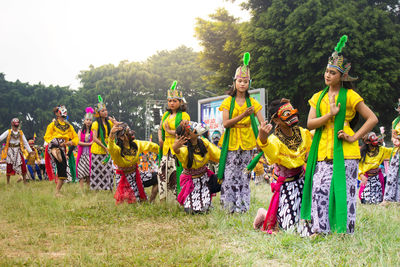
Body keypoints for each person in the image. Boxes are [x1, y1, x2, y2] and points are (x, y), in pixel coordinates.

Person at [300, 35, 378, 234]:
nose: (327, 75)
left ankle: (344, 232)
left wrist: (353, 137)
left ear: (342, 76)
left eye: (332, 73)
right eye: (326, 71)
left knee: (345, 194)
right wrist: (329, 115)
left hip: (345, 152)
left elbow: (372, 119)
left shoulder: (350, 96)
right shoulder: (318, 97)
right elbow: (309, 123)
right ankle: (320, 230)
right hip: (322, 152)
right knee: (319, 190)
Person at [253, 99, 313, 235]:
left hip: (302, 181)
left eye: (293, 111)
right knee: (290, 229)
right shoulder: (275, 140)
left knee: (310, 220)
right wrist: (263, 139)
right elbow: (272, 157)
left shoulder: (303, 133)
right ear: (277, 120)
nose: (293, 115)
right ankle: (264, 213)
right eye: (287, 113)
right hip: (286, 186)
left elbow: (309, 151)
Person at [218, 52, 264, 213]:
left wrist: (264, 131)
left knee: (244, 175)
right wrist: (243, 115)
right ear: (234, 82)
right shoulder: (228, 101)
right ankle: (228, 206)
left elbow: (262, 122)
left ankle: (242, 207)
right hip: (231, 141)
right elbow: (226, 123)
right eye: (240, 81)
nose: (242, 84)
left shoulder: (253, 102)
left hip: (247, 141)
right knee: (230, 174)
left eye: (245, 81)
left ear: (249, 83)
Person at [173, 121, 220, 213]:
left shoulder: (204, 142)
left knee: (205, 209)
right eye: (191, 128)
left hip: (205, 180)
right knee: (191, 210)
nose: (194, 127)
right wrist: (175, 148)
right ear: (189, 136)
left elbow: (218, 154)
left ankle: (212, 201)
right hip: (191, 183)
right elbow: (177, 151)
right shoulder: (184, 150)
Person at [109, 122, 159, 204]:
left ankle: (151, 201)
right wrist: (111, 135)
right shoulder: (117, 150)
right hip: (124, 179)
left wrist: (163, 150)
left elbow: (152, 146)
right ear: (122, 137)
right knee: (132, 203)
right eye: (128, 131)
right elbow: (111, 147)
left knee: (158, 177)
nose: (131, 133)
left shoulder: (136, 144)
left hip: (137, 175)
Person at [157, 81, 190, 202]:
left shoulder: (185, 115)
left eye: (174, 101)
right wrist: (160, 138)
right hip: (166, 148)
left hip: (177, 148)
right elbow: (160, 128)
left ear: (180, 102)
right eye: (170, 101)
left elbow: (184, 133)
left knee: (175, 174)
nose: (171, 103)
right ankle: (164, 199)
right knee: (162, 174)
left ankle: (177, 199)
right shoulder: (165, 114)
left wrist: (169, 131)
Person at [44, 106, 79, 196]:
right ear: (57, 114)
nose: (63, 115)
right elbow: (47, 137)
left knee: (63, 170)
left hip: (63, 147)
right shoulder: (52, 125)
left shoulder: (69, 126)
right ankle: (55, 152)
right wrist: (56, 141)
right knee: (55, 145)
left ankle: (57, 192)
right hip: (53, 144)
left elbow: (76, 138)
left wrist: (68, 143)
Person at [358, 132, 392, 204]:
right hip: (366, 178)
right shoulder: (362, 152)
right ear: (367, 142)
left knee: (378, 200)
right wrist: (361, 175)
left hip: (377, 178)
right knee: (366, 201)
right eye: (373, 140)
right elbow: (358, 166)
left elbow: (393, 151)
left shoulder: (382, 149)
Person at [90, 96, 114, 190]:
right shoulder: (95, 124)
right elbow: (94, 138)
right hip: (97, 150)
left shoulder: (109, 123)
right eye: (103, 111)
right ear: (98, 113)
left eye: (106, 110)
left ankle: (109, 188)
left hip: (107, 149)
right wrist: (104, 146)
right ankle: (96, 189)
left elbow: (113, 133)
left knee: (109, 170)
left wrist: (115, 122)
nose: (105, 112)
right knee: (98, 171)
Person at [0, 118, 33, 184]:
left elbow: (25, 142)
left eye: (17, 125)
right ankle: (8, 183)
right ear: (12, 124)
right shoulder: (8, 131)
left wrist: (30, 151)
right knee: (9, 166)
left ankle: (24, 181)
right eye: (15, 125)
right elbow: (1, 137)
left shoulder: (20, 132)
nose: (16, 127)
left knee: (23, 165)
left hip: (18, 150)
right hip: (10, 151)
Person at [382, 98, 400, 204]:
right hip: (397, 151)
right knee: (392, 174)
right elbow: (393, 136)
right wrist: (395, 140)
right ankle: (388, 199)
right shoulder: (395, 121)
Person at [76, 107, 94, 190]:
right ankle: (81, 189)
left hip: (90, 154)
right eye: (87, 119)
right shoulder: (80, 131)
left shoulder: (93, 131)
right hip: (82, 154)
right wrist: (89, 143)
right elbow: (78, 142)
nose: (88, 121)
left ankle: (88, 188)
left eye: (90, 120)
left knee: (89, 173)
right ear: (84, 120)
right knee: (81, 172)